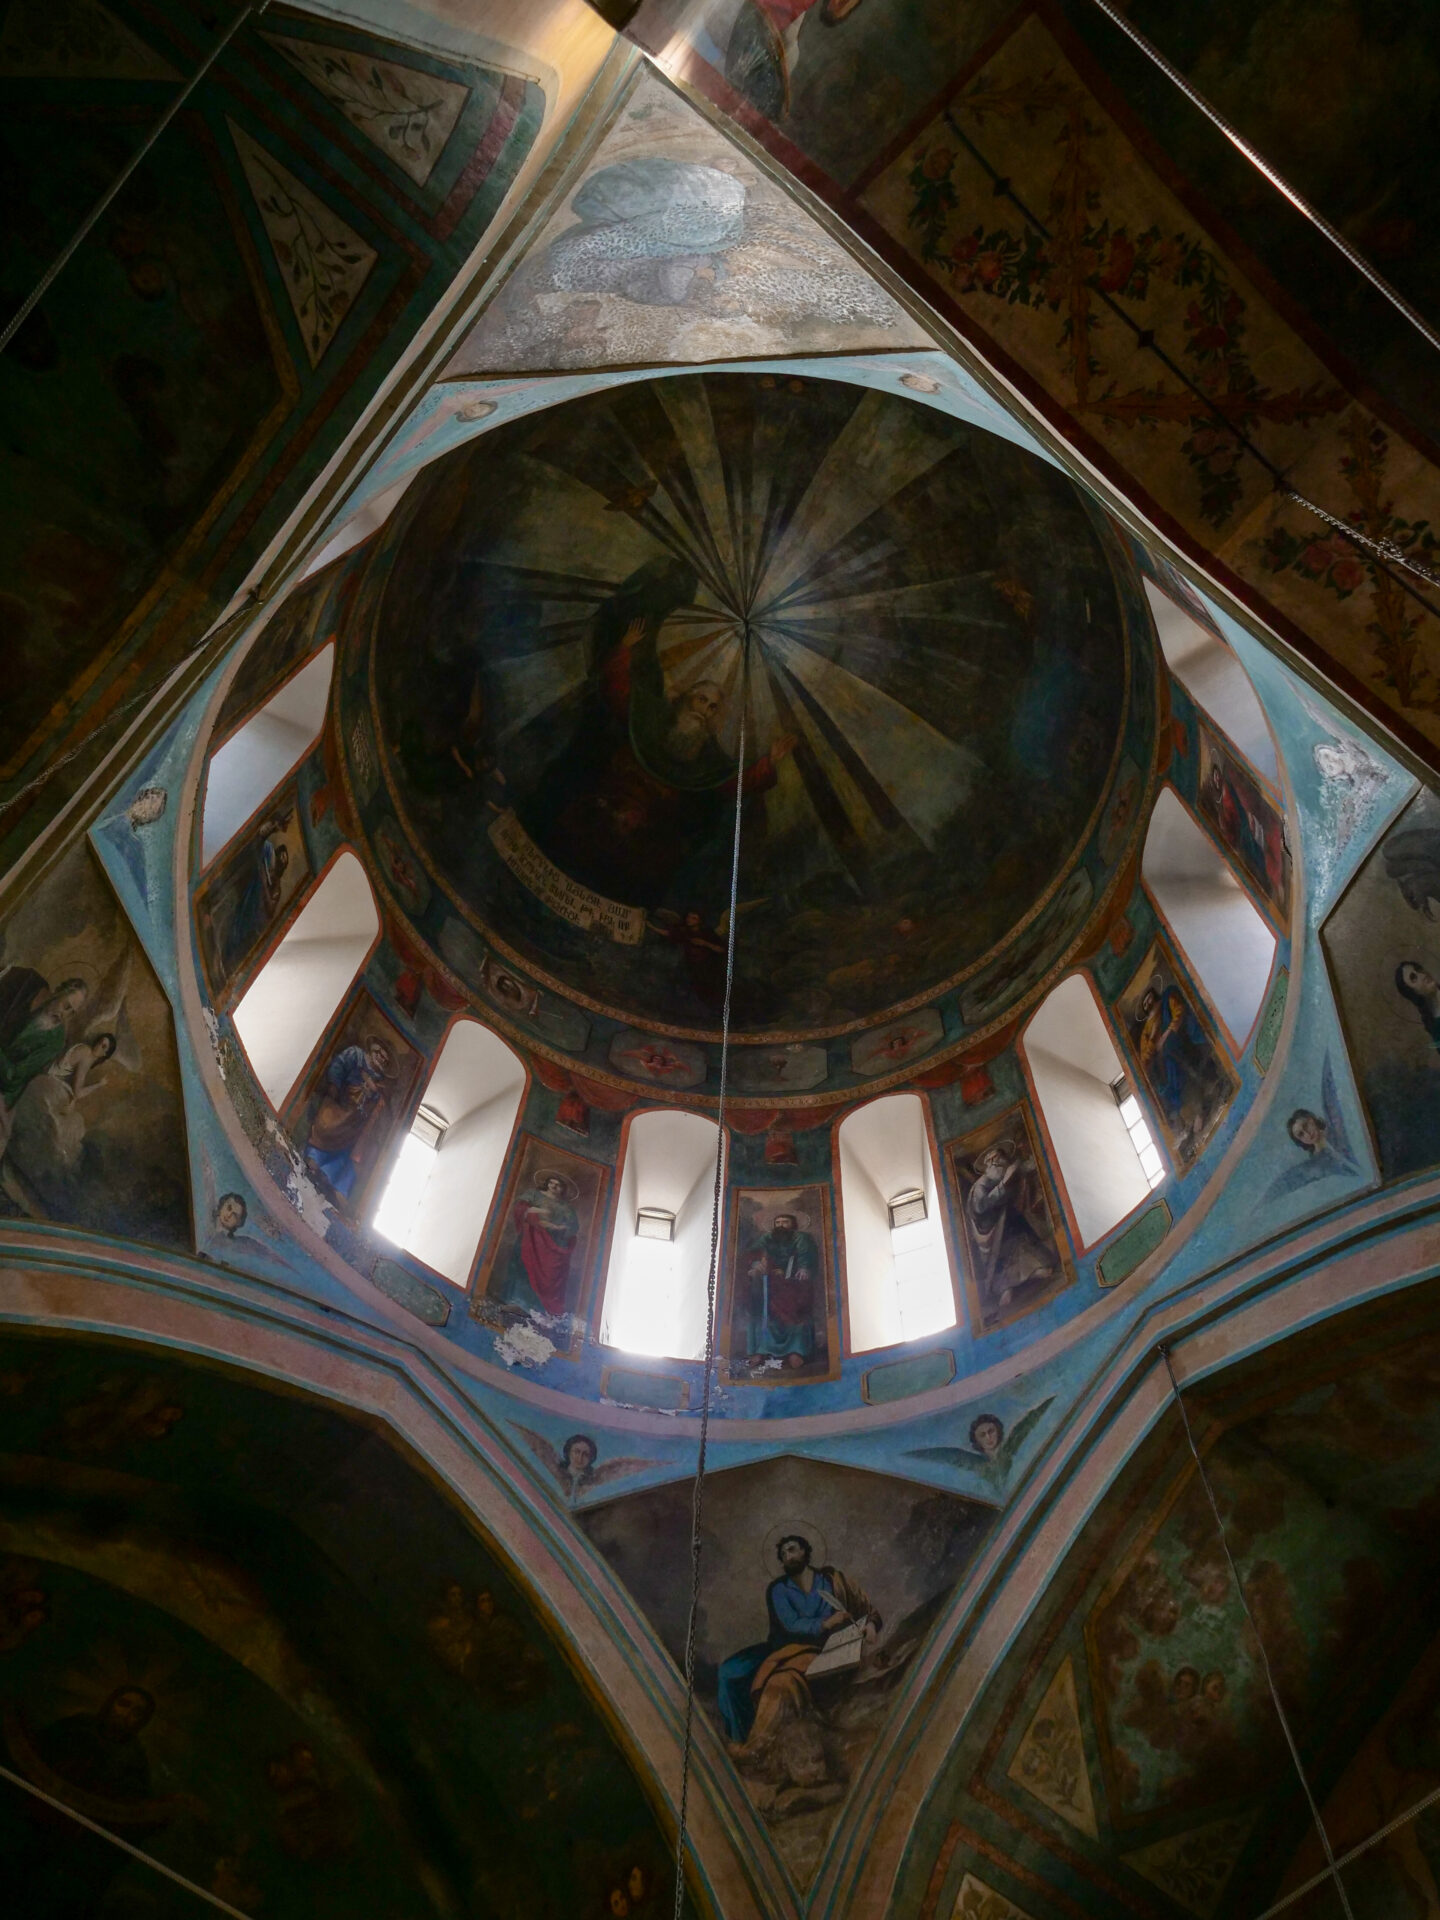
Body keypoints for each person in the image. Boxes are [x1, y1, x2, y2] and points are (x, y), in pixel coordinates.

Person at [717, 1534, 879, 1751]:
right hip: (782, 1648)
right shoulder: (778, 1589)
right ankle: (740, 1736)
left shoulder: (833, 1581)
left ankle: (754, 1744)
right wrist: (826, 1623)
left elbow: (866, 1608)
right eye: (783, 1554)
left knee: (780, 1683)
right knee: (728, 1672)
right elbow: (791, 1624)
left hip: (821, 1650)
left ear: (805, 1551)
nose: (788, 1556)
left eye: (792, 1549)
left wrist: (871, 1626)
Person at [964, 1139, 1059, 1320]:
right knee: (1002, 1255)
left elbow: (1024, 1173)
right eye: (994, 1160)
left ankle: (1035, 1269)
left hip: (1008, 1220)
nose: (998, 1162)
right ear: (988, 1165)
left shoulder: (1003, 1175)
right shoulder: (981, 1184)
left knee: (1023, 1240)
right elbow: (980, 1206)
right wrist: (1003, 1185)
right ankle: (1005, 1288)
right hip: (992, 1230)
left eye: (1001, 1158)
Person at [302, 1034, 398, 1201]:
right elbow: (338, 1065)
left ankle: (328, 1175)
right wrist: (335, 1086)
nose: (381, 1060)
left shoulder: (379, 1082)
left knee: (350, 1150)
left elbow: (377, 1105)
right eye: (380, 1054)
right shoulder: (356, 1055)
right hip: (339, 1105)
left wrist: (372, 1095)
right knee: (326, 1127)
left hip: (355, 1122)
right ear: (373, 1050)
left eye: (385, 1060)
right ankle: (314, 1159)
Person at [744, 1211, 820, 1370]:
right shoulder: (768, 1238)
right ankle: (761, 1350)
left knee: (796, 1314)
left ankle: (796, 1351)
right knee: (762, 1311)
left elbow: (806, 1256)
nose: (781, 1225)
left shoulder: (801, 1238)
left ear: (793, 1224)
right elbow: (754, 1254)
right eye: (778, 1223)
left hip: (794, 1283)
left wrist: (803, 1268)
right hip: (770, 1283)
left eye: (785, 1222)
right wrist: (757, 1265)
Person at [500, 1170, 580, 1315]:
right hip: (531, 1239)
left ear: (563, 1189)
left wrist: (560, 1228)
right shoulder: (534, 1195)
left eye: (558, 1185)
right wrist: (537, 1212)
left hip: (552, 1245)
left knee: (550, 1276)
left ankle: (537, 1309)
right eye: (551, 1183)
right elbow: (520, 1207)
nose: (553, 1186)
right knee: (524, 1267)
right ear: (546, 1183)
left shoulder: (566, 1208)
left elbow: (573, 1226)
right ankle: (517, 1302)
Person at [1396, 960, 1440, 1049]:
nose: (1422, 975)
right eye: (1413, 977)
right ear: (1413, 992)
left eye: (1418, 969)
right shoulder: (1437, 1028)